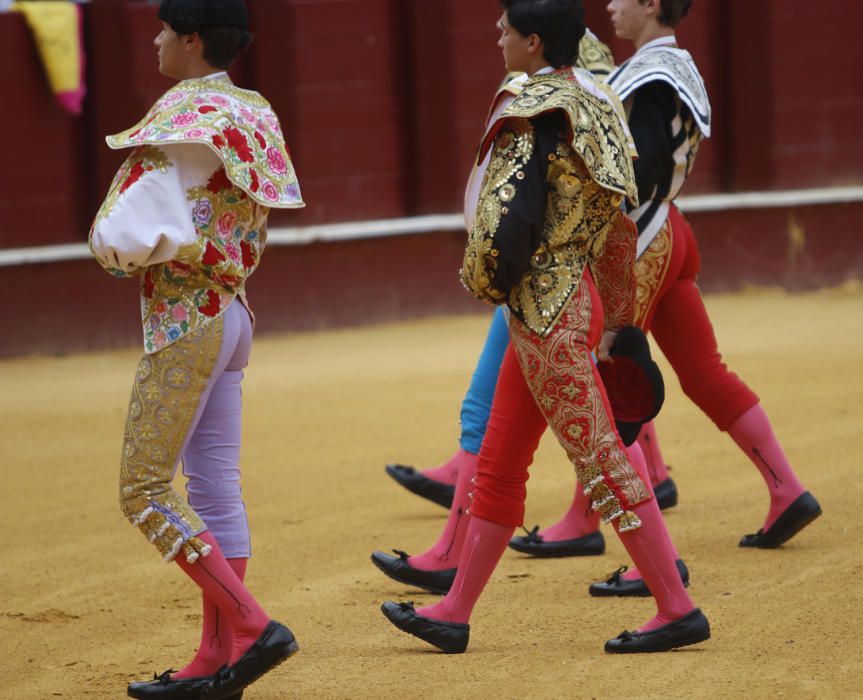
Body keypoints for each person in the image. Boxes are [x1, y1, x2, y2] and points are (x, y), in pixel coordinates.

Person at [380, 0, 710, 654]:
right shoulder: (599, 102)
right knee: (500, 459)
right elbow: (619, 228)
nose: (496, 37)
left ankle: (675, 606)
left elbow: (508, 222)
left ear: (532, 43)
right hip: (573, 303)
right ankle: (453, 611)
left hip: (545, 312)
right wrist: (617, 321)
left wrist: (481, 281)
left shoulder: (530, 112)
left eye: (504, 29)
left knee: (601, 459)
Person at [517, 0, 822, 595]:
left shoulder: (650, 75)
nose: (611, 6)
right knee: (705, 372)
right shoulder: (673, 64)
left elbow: (646, 163)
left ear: (651, 4)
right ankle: (787, 489)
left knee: (612, 379)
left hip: (641, 238)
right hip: (672, 231)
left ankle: (591, 523)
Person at [89, 2, 303, 697]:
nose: (153, 40)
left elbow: (120, 237)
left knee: (144, 489)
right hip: (234, 310)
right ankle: (217, 660)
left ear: (190, 39)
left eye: (161, 30)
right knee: (213, 488)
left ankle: (250, 624)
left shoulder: (182, 118)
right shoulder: (253, 113)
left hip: (186, 319)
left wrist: (124, 257)